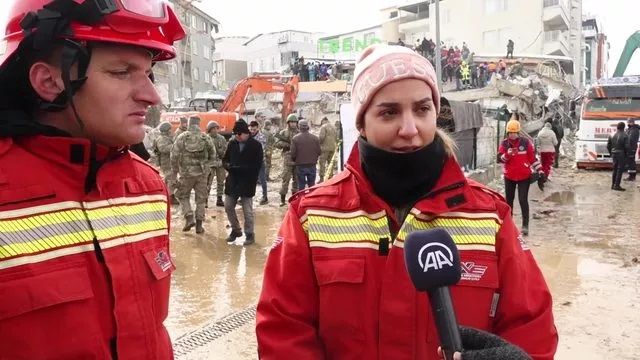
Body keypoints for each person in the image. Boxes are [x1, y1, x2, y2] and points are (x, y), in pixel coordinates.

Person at [257, 44, 557, 359]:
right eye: (389, 112)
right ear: (361, 122)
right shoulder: (311, 215)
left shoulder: (489, 216)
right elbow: (284, 333)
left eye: (422, 109)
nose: (410, 129)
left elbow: (531, 326)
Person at [0, 0, 185, 358]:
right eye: (121, 72)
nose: (152, 95)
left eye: (148, 73)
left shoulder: (147, 186)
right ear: (49, 81)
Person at [498, 117, 545, 236]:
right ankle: (509, 225)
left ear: (518, 132)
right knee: (509, 201)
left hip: (524, 176)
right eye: (511, 132)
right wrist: (507, 155)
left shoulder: (525, 143)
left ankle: (525, 226)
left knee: (523, 200)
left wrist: (540, 170)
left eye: (515, 132)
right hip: (509, 176)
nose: (513, 135)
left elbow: (532, 158)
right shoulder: (504, 144)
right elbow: (500, 159)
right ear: (508, 132)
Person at [171, 116, 215, 233]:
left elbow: (174, 155)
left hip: (186, 174)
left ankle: (189, 217)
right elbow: (213, 154)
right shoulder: (205, 137)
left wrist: (174, 173)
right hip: (202, 174)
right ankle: (199, 226)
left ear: (189, 124)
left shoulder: (182, 137)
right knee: (201, 200)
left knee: (181, 195)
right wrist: (206, 166)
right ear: (199, 124)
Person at [222, 120, 263, 245]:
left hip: (247, 182)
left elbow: (257, 165)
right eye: (235, 134)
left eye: (239, 134)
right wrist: (229, 166)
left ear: (246, 133)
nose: (237, 136)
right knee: (228, 206)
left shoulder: (255, 145)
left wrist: (241, 168)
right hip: (233, 181)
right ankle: (236, 230)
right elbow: (225, 160)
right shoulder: (232, 143)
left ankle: (249, 234)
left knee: (248, 212)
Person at [275, 114, 300, 206]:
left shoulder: (299, 132)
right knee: (286, 178)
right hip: (287, 157)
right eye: (291, 122)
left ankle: (294, 198)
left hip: (298, 157)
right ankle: (282, 199)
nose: (293, 124)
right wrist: (286, 144)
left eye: (294, 122)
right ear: (288, 123)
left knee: (296, 179)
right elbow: (277, 144)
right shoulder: (283, 133)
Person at [291, 119, 321, 190]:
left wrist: (295, 160)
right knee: (312, 185)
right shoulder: (315, 138)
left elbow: (293, 154)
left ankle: (302, 200)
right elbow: (319, 152)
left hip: (300, 165)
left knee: (301, 186)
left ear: (299, 127)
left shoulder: (295, 138)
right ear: (308, 127)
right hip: (312, 165)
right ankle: (311, 200)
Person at [153, 121, 178, 203]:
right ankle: (170, 197)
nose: (171, 131)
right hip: (166, 162)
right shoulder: (162, 139)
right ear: (166, 130)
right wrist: (175, 146)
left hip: (169, 161)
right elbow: (163, 149)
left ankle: (169, 195)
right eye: (170, 129)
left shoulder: (167, 138)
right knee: (171, 179)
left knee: (169, 179)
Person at [206, 120, 228, 207]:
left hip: (220, 163)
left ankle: (219, 199)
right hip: (210, 164)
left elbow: (225, 150)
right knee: (208, 183)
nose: (215, 130)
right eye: (213, 129)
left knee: (221, 182)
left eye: (216, 128)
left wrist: (223, 155)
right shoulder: (206, 138)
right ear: (209, 130)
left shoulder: (221, 138)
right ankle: (205, 200)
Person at [250, 120, 269, 204]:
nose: (253, 131)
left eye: (254, 129)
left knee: (262, 179)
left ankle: (265, 197)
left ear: (258, 128)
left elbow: (260, 149)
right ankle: (247, 197)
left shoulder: (261, 137)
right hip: (250, 162)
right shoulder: (248, 136)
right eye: (251, 129)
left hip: (259, 161)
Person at [607, 122, 629, 191]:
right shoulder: (625, 135)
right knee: (620, 170)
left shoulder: (611, 134)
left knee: (615, 169)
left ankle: (613, 185)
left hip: (614, 154)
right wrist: (626, 154)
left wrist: (611, 153)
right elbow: (627, 147)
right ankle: (617, 185)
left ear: (617, 127)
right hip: (621, 154)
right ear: (624, 127)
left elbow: (608, 146)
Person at [318, 117, 338, 182]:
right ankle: (330, 178)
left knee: (322, 163)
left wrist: (319, 144)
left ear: (323, 121)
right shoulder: (334, 127)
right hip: (332, 148)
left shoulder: (323, 127)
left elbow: (321, 137)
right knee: (330, 163)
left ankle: (321, 179)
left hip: (324, 149)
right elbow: (336, 137)